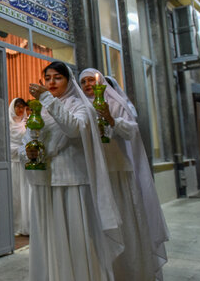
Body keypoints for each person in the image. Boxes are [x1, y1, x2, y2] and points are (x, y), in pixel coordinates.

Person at [26, 61, 123, 281]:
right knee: (52, 241)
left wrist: (47, 99)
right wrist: (29, 153)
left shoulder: (81, 106)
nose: (51, 82)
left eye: (57, 77)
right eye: (47, 78)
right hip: (45, 182)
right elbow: (30, 137)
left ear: (68, 81)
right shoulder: (41, 108)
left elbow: (72, 129)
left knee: (77, 241)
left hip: (73, 182)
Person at [80, 68, 169, 280]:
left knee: (123, 225)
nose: (87, 85)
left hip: (117, 172)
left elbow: (131, 131)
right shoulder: (81, 107)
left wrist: (111, 119)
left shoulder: (116, 105)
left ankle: (129, 272)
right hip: (93, 173)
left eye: (90, 80)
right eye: (82, 82)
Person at [9, 97, 30, 236]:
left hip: (24, 162)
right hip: (11, 163)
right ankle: (14, 225)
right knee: (14, 196)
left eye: (22, 107)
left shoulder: (27, 123)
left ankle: (26, 224)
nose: (20, 109)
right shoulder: (7, 124)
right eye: (18, 106)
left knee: (25, 194)